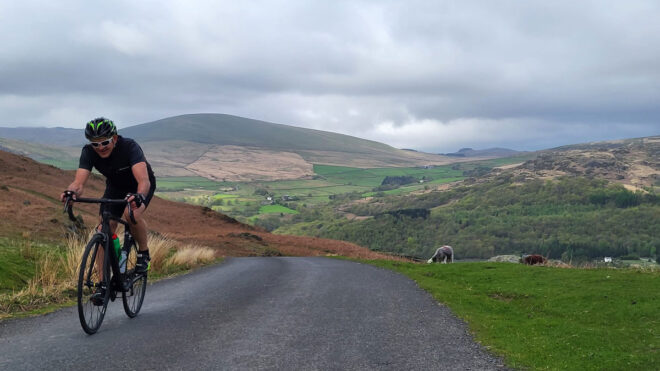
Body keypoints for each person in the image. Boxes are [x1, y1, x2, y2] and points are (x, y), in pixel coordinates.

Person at [61, 117, 156, 302]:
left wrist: (139, 196)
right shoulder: (88, 152)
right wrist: (71, 192)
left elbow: (143, 180)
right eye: (95, 144)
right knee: (103, 229)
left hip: (139, 186)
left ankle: (143, 254)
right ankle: (102, 285)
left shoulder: (129, 146)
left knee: (131, 214)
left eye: (104, 142)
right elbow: (79, 182)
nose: (100, 147)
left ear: (114, 138)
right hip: (115, 186)